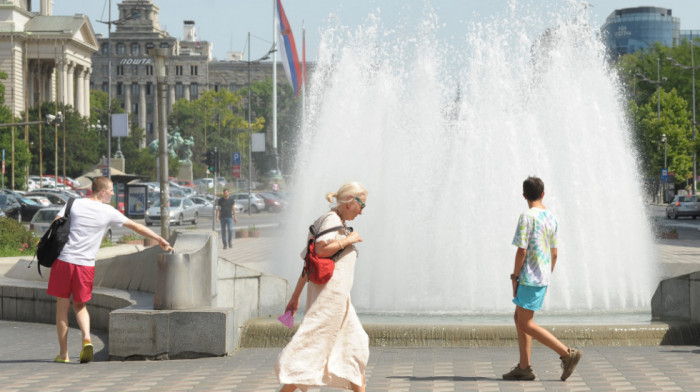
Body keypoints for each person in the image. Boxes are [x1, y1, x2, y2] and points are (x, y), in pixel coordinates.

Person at [47, 177, 172, 364]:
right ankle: (87, 339)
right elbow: (135, 226)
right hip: (85, 265)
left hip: (64, 261)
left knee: (62, 307)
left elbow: (55, 223)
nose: (113, 194)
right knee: (80, 306)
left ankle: (63, 354)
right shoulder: (108, 211)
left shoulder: (74, 203)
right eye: (111, 190)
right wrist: (159, 238)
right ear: (102, 192)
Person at [276, 182, 369, 392]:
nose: (362, 212)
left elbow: (308, 264)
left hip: (339, 299)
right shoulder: (331, 220)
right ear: (350, 201)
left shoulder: (331, 220)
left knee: (354, 347)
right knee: (312, 350)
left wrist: (295, 296)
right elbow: (319, 251)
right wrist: (350, 240)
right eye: (361, 206)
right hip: (330, 300)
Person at [503, 176, 582, 381]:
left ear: (524, 195)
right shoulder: (551, 217)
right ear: (543, 193)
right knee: (519, 318)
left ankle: (567, 353)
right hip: (542, 276)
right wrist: (547, 274)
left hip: (529, 277)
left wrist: (514, 276)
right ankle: (524, 366)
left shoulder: (527, 217)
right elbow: (554, 253)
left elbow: (522, 250)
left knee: (526, 323)